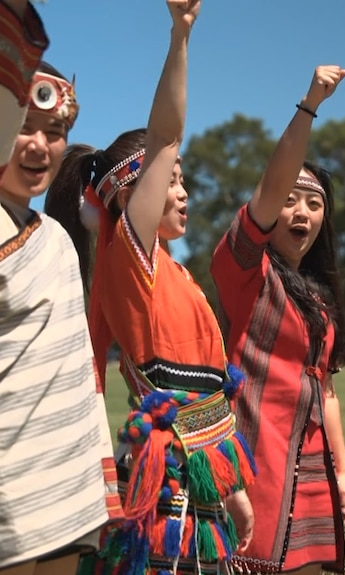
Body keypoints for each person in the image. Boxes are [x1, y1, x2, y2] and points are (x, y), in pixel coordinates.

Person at [44, 2, 255, 574]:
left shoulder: (174, 270)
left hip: (198, 472)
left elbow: (210, 390)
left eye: (182, 179)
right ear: (133, 192)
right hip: (166, 477)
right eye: (173, 179)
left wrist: (230, 482)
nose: (184, 192)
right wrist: (180, 37)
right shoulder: (129, 259)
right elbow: (165, 133)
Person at [211, 65, 345, 575]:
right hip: (258, 461)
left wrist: (342, 469)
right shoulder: (246, 271)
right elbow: (270, 186)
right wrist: (310, 104)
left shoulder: (318, 296)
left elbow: (326, 385)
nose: (302, 212)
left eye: (314, 204)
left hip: (313, 463)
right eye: (290, 200)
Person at [0, 3, 122, 573]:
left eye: (54, 133)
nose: (39, 146)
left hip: (68, 494)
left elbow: (79, 370)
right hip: (8, 499)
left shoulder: (55, 238)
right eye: (23, 128)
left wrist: (101, 481)